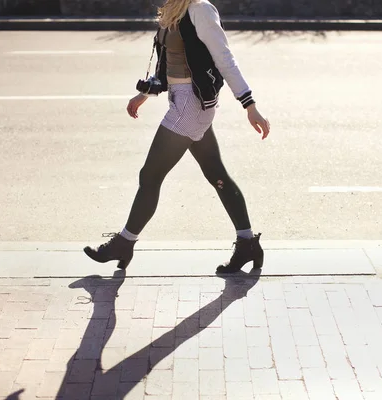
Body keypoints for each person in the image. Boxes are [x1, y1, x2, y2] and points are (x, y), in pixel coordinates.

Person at [84, 0, 270, 274]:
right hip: (180, 101)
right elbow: (167, 63)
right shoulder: (173, 9)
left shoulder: (200, 10)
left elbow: (224, 58)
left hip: (191, 106)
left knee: (150, 175)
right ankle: (247, 244)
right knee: (216, 173)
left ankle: (124, 243)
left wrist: (249, 105)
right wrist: (145, 93)